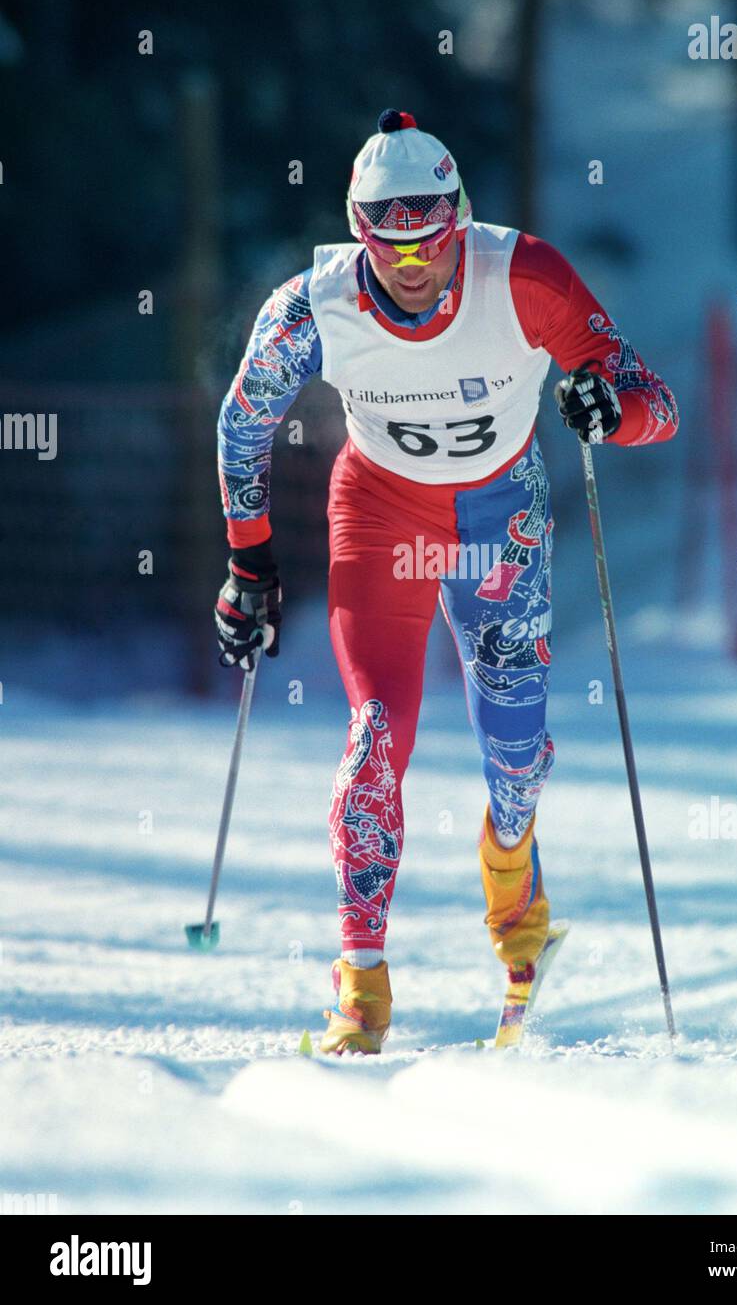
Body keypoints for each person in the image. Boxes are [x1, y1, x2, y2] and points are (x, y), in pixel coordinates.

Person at [214, 110, 679, 1054]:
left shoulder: (526, 277)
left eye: (430, 242)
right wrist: (247, 564)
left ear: (460, 222)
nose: (413, 268)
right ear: (358, 234)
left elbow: (654, 403)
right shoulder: (314, 305)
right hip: (381, 512)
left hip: (497, 515)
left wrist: (608, 411)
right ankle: (360, 988)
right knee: (375, 737)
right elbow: (241, 423)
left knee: (513, 757)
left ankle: (519, 911)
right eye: (388, 248)